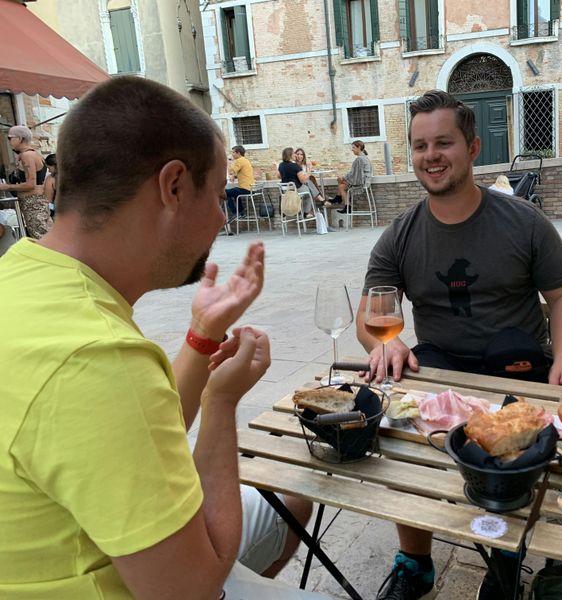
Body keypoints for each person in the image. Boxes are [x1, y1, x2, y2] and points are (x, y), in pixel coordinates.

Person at [0, 76, 323, 599]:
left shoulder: (23, 278)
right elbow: (192, 588)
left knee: (287, 504)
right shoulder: (95, 355)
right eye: (216, 194)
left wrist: (202, 335)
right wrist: (221, 402)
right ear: (173, 186)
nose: (221, 217)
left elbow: (136, 430)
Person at [356, 89, 562, 600]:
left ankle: (505, 563)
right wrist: (386, 344)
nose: (431, 156)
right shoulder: (400, 234)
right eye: (420, 146)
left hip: (516, 363)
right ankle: (414, 562)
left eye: (444, 142)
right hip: (439, 365)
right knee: (395, 433)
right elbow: (371, 315)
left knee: (518, 460)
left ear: (473, 147)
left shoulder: (523, 221)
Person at [0, 125, 52, 238]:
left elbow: (30, 184)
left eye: (10, 138)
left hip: (33, 202)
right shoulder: (31, 154)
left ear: (19, 138)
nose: (9, 141)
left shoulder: (27, 155)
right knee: (44, 235)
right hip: (35, 202)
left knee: (40, 237)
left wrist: (6, 187)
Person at [327, 140, 371, 213]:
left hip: (362, 184)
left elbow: (355, 175)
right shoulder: (363, 158)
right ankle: (342, 202)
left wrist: (344, 178)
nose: (352, 149)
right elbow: (354, 173)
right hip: (364, 181)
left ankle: (342, 201)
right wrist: (344, 178)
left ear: (359, 147)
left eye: (353, 147)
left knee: (341, 185)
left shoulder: (359, 159)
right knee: (341, 182)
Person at [225, 144, 254, 218]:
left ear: (238, 153)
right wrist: (235, 176)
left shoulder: (239, 161)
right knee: (235, 193)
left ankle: (235, 213)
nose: (232, 154)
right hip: (250, 188)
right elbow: (243, 173)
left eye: (233, 152)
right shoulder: (245, 160)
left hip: (245, 189)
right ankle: (241, 212)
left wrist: (228, 161)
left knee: (224, 192)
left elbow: (230, 171)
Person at [43, 153, 57, 217]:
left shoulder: (51, 178)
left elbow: (48, 201)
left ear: (55, 166)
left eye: (49, 168)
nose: (49, 171)